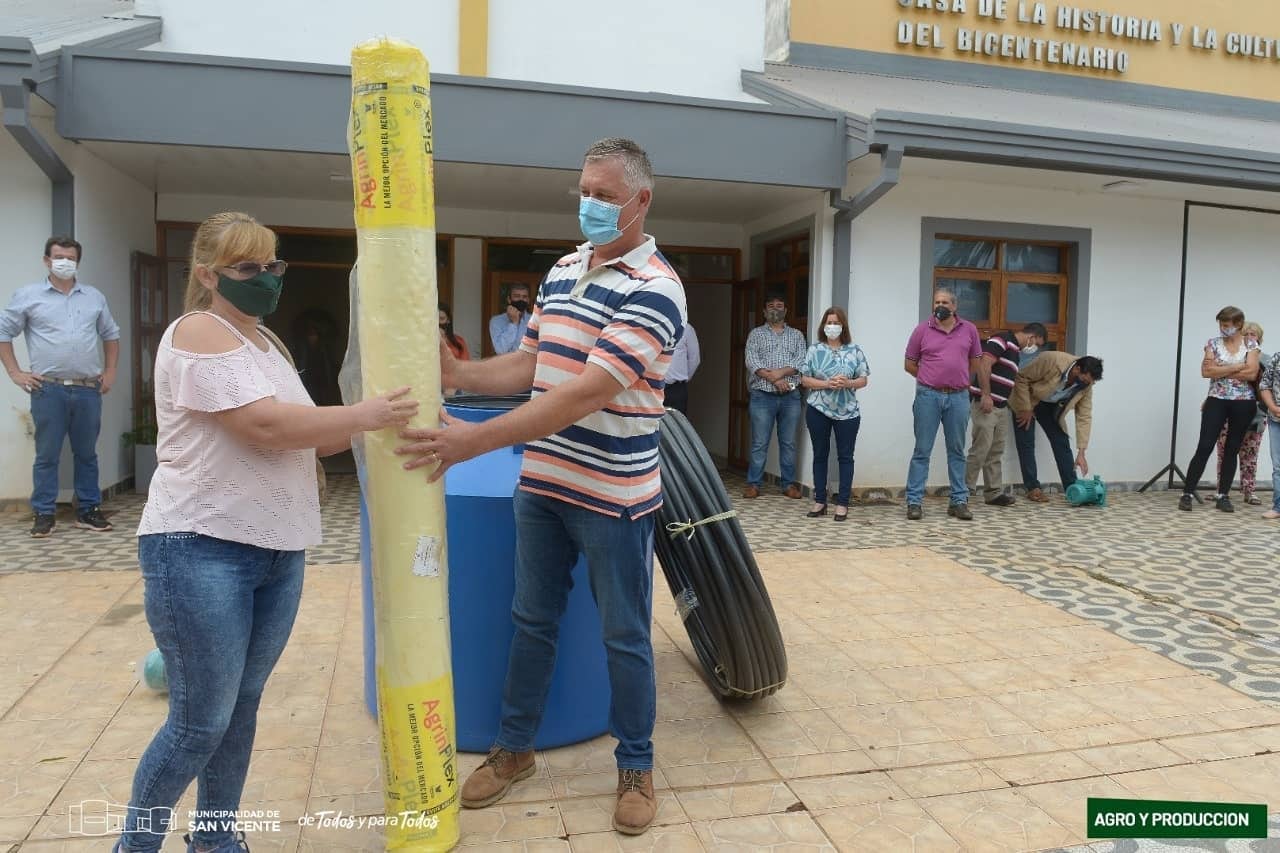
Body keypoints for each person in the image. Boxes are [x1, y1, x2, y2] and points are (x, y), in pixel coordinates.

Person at [396, 138, 684, 836]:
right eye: (584, 190)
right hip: (544, 485)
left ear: (641, 201)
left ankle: (637, 765)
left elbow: (580, 395)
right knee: (531, 622)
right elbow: (533, 364)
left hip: (616, 497)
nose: (590, 205)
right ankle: (515, 747)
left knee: (624, 635)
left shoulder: (658, 291)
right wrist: (461, 378)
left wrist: (471, 439)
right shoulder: (561, 268)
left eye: (606, 196)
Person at [117, 212, 417, 853]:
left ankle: (216, 840)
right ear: (206, 274)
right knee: (199, 722)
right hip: (201, 547)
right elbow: (264, 428)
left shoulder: (268, 347)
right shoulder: (199, 329)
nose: (267, 278)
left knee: (241, 707)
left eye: (273, 264)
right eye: (248, 267)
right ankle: (135, 846)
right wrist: (363, 412)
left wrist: (366, 418)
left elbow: (318, 435)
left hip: (277, 550)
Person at [0, 236, 120, 537]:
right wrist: (15, 373)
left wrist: (110, 371)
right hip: (48, 389)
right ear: (46, 260)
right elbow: (4, 333)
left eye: (70, 257)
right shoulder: (28, 296)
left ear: (78, 261)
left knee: (87, 454)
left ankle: (89, 510)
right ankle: (43, 513)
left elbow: (111, 334)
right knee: (47, 455)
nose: (64, 262)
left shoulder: (94, 297)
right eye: (58, 256)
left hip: (87, 389)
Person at [903, 289, 983, 521]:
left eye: (945, 302)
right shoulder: (922, 329)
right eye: (937, 301)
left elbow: (975, 362)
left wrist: (957, 379)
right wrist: (930, 378)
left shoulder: (969, 329)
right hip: (928, 396)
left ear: (954, 306)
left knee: (957, 451)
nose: (940, 305)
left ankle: (959, 501)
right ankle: (914, 502)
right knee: (922, 450)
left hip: (958, 397)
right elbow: (909, 364)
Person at [1178, 306, 1259, 512]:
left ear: (1238, 324)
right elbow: (1206, 371)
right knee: (1205, 445)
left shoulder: (1250, 343)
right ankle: (1187, 493)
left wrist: (1221, 370)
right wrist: (1236, 367)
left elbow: (1251, 373)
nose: (1223, 329)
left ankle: (1223, 495)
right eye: (1221, 325)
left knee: (1232, 448)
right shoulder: (1213, 343)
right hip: (1217, 399)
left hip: (1243, 402)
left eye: (1226, 325)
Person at [964, 323, 1046, 507]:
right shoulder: (1002, 340)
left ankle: (993, 493)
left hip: (1001, 407)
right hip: (986, 404)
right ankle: (962, 492)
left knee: (995, 451)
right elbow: (984, 363)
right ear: (1031, 337)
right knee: (980, 449)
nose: (1034, 348)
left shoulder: (1015, 352)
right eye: (1037, 343)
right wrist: (985, 394)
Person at [800, 307, 869, 521]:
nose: (832, 327)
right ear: (823, 326)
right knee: (820, 455)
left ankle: (843, 504)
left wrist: (848, 383)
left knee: (845, 457)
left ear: (843, 326)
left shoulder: (854, 350)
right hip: (818, 409)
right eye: (829, 322)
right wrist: (826, 383)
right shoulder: (814, 350)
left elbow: (863, 379)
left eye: (836, 323)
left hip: (848, 412)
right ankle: (820, 500)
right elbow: (804, 379)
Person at [1010, 351, 1104, 501]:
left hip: (1050, 406)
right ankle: (1033, 488)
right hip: (1027, 399)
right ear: (1077, 369)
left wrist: (1081, 452)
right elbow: (1021, 377)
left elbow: (1084, 416)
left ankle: (1072, 487)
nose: (1086, 385)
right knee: (1026, 441)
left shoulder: (1087, 385)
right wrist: (1025, 408)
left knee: (1061, 441)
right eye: (1085, 380)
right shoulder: (1051, 360)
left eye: (1090, 382)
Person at [743, 291, 806, 499]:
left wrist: (781, 374)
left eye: (780, 305)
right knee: (760, 443)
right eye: (771, 305)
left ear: (786, 310)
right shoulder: (755, 334)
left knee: (788, 442)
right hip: (762, 396)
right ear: (764, 310)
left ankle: (788, 485)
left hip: (790, 398)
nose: (775, 309)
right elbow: (752, 362)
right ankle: (754, 484)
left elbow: (800, 362)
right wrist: (775, 379)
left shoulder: (797, 335)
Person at [1215, 321, 1266, 505]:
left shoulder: (1265, 360)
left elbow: (1263, 385)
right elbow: (1217, 380)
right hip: (1228, 412)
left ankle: (1249, 491)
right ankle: (1222, 491)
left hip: (1256, 414)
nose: (1250, 337)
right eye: (1247, 334)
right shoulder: (1231, 357)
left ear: (1259, 339)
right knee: (1224, 453)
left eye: (1254, 335)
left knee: (1250, 456)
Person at [1258, 348, 1280, 520]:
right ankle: (1278, 506)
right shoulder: (1277, 357)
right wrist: (1272, 407)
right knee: (1278, 466)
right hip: (1276, 419)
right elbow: (1265, 385)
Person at [663, 320, 699, 415]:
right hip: (653, 386)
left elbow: (694, 359)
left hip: (676, 389)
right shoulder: (655, 324)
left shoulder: (687, 328)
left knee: (677, 425)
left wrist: (682, 378)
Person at [488, 282, 532, 354]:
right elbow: (501, 350)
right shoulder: (496, 321)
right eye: (517, 296)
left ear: (528, 300)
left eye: (524, 297)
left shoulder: (534, 321)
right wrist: (514, 323)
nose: (521, 299)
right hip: (506, 365)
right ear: (509, 299)